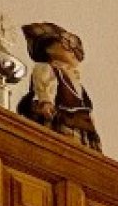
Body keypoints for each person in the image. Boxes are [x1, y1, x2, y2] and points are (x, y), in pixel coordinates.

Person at [17, 23, 101, 152]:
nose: (73, 51)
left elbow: (84, 103)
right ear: (49, 49)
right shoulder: (47, 69)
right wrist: (46, 102)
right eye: (66, 45)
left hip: (81, 124)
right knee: (62, 145)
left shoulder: (74, 79)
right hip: (63, 120)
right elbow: (44, 87)